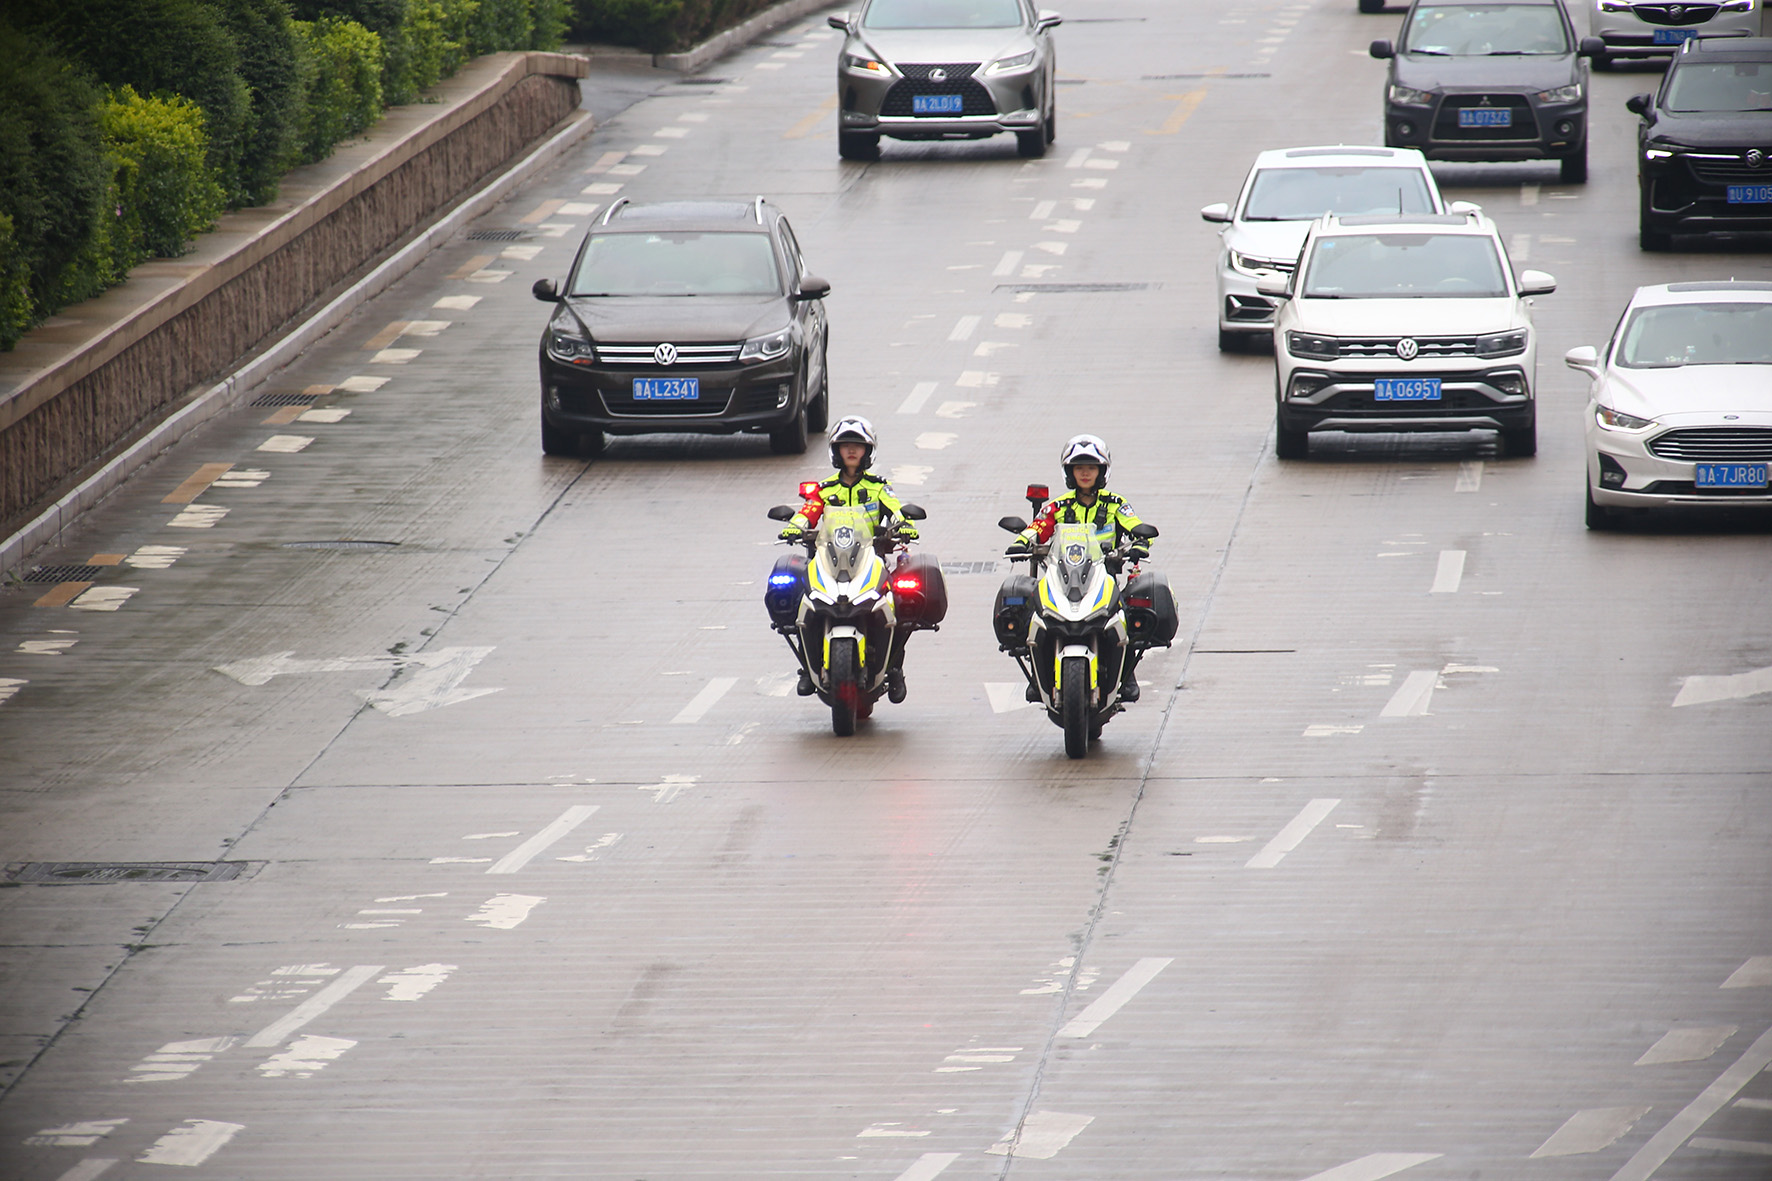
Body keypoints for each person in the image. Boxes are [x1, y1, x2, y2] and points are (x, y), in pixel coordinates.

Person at [779, 416, 920, 702]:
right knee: (802, 598)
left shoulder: (879, 487)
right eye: (845, 445)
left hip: (870, 560)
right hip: (829, 559)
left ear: (868, 450)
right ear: (836, 450)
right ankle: (807, 668)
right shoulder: (825, 488)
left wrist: (905, 524)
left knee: (898, 605)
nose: (852, 450)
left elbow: (896, 511)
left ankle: (895, 670)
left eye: (858, 445)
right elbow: (808, 511)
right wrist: (794, 527)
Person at [1006, 434, 1152, 702]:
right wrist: (1021, 542)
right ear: (1069, 472)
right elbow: (1038, 527)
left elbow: (1135, 525)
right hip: (1062, 573)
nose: (1085, 473)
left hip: (1102, 574)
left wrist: (1141, 542)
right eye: (1079, 467)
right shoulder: (1058, 506)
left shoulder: (1116, 504)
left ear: (1102, 471)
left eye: (1091, 467)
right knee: (1034, 610)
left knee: (1125, 613)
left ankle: (1127, 675)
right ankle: (1038, 676)